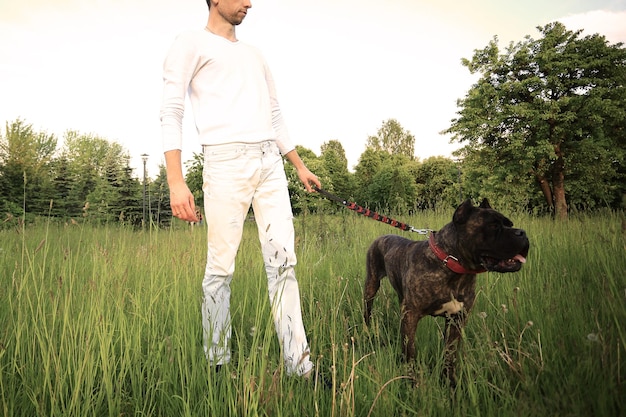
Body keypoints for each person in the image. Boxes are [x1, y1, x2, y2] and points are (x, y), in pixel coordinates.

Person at [160, 0, 320, 378]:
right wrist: (175, 180)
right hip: (225, 162)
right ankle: (218, 363)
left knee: (284, 263)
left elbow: (275, 112)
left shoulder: (255, 54)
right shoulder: (189, 43)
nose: (249, 3)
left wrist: (298, 165)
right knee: (220, 267)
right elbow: (171, 111)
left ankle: (300, 366)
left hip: (270, 162)